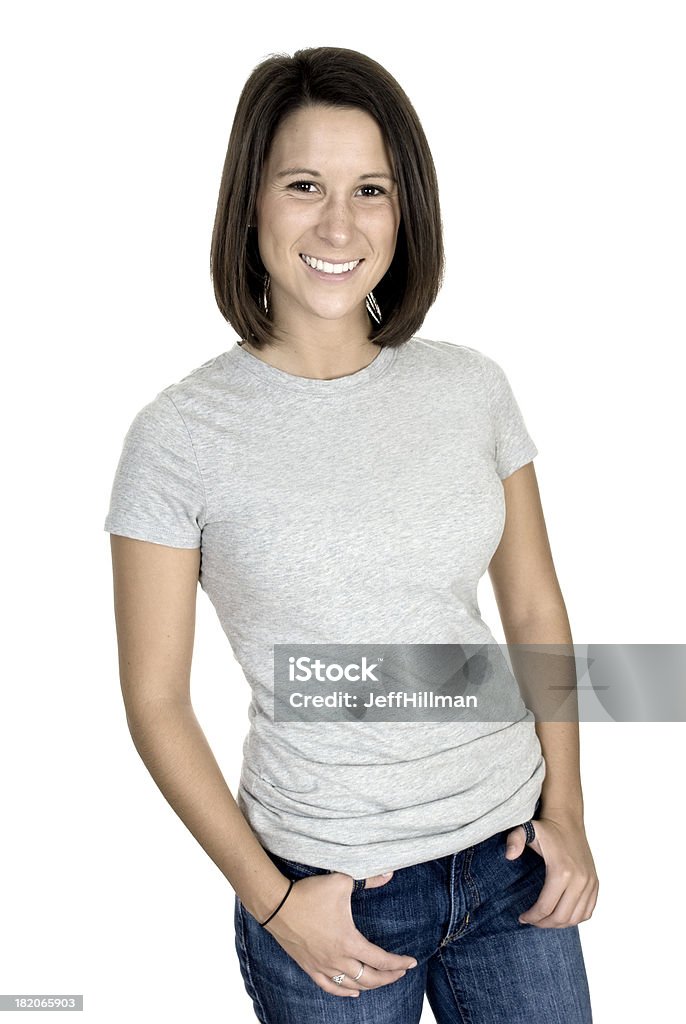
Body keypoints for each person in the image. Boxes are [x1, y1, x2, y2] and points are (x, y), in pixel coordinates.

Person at [104, 46, 598, 1024]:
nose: (338, 223)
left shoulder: (470, 389)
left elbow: (534, 607)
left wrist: (569, 817)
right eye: (303, 186)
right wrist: (274, 900)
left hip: (512, 866)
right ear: (249, 203)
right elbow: (154, 698)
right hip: (331, 892)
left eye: (369, 189)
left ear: (402, 209)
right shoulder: (177, 436)